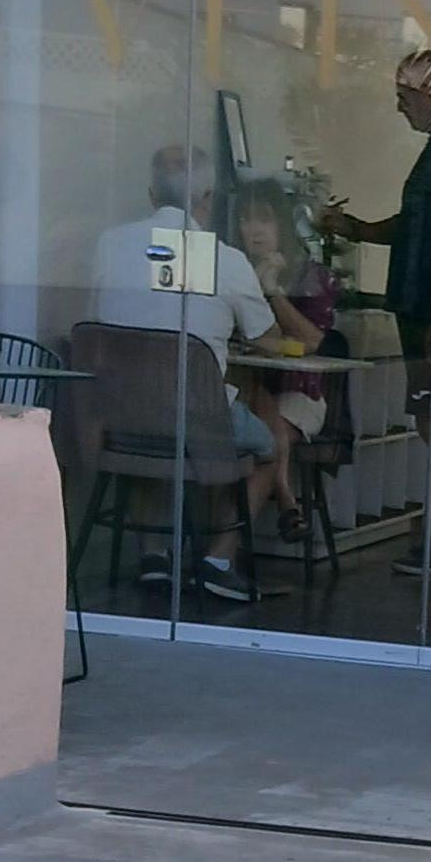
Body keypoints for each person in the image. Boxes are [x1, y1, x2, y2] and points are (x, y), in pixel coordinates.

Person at [86, 146, 278, 600]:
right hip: (198, 419)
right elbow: (267, 336)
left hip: (121, 418)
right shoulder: (226, 260)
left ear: (152, 194)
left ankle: (153, 554)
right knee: (272, 448)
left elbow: (93, 322)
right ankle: (217, 558)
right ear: (208, 197)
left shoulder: (109, 245)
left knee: (150, 422)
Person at [333, 52, 431, 565]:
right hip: (421, 305)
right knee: (430, 417)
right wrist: (356, 229)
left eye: (405, 98)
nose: (400, 108)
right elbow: (416, 225)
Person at [233, 188, 344, 536]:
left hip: (300, 391)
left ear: (283, 224)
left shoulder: (311, 276)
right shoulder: (231, 268)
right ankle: (286, 502)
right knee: (251, 418)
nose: (254, 229)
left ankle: (226, 553)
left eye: (264, 219)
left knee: (261, 431)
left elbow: (312, 342)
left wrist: (273, 291)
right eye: (245, 218)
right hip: (244, 386)